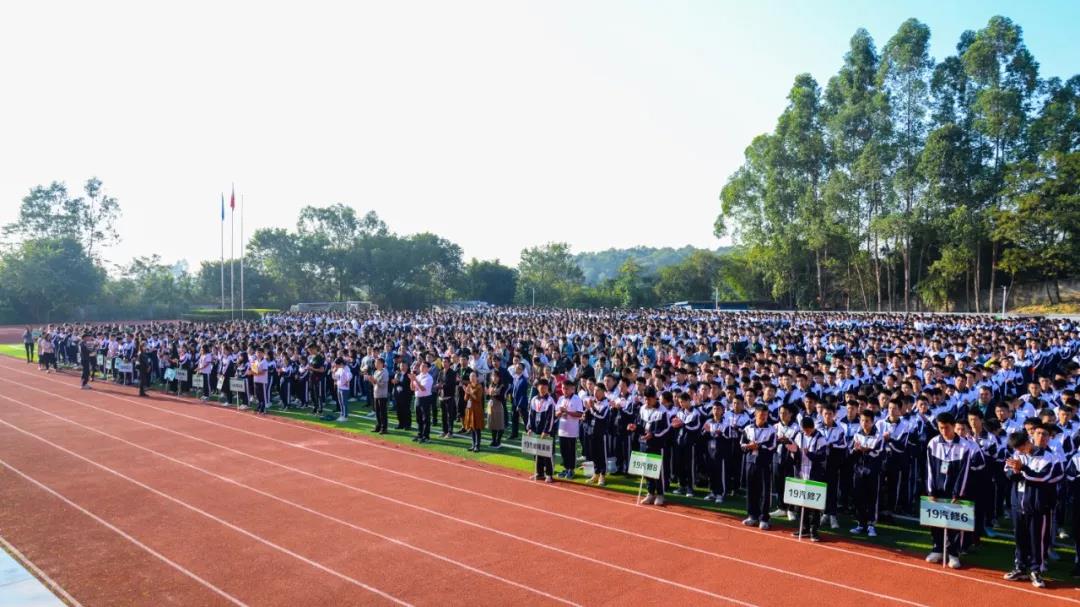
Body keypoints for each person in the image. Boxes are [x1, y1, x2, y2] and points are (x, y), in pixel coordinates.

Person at [1004, 426, 1063, 588]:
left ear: (1027, 442)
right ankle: (1020, 567)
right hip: (1018, 504)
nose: (1019, 451)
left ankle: (1036, 571)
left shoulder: (1049, 457)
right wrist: (1015, 471)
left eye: (1021, 447)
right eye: (1017, 449)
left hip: (1038, 506)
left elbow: (1043, 478)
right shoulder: (1017, 455)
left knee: (1038, 541)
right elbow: (1007, 472)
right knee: (1020, 538)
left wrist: (1022, 469)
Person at [925, 412, 976, 569]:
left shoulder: (965, 446)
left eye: (946, 427)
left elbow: (964, 472)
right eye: (940, 428)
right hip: (938, 490)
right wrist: (931, 491)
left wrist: (958, 493)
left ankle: (953, 553)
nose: (943, 431)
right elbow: (929, 469)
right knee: (936, 520)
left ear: (953, 426)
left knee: (955, 523)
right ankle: (938, 549)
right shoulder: (933, 443)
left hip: (955, 492)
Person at [787, 415, 828, 541]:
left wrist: (808, 453)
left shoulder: (820, 438)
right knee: (800, 502)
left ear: (813, 427)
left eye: (808, 430)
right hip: (800, 471)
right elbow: (793, 451)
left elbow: (822, 456)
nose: (806, 432)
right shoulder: (798, 436)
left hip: (814, 472)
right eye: (804, 430)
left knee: (813, 504)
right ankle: (804, 528)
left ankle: (814, 530)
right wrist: (794, 452)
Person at [630, 386, 670, 505]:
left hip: (657, 444)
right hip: (644, 443)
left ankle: (660, 494)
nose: (647, 401)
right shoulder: (642, 408)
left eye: (649, 399)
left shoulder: (662, 411)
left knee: (658, 471)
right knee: (646, 470)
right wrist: (635, 427)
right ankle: (650, 493)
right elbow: (640, 424)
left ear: (655, 398)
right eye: (645, 399)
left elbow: (666, 428)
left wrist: (653, 434)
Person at [741, 404, 777, 528]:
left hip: (764, 463)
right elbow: (742, 443)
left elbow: (772, 445)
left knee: (765, 492)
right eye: (761, 415)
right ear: (755, 414)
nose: (763, 417)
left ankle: (764, 518)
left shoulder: (771, 430)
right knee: (751, 490)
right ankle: (752, 516)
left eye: (765, 415)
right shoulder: (748, 428)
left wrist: (758, 446)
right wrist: (748, 446)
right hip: (750, 462)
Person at [849, 409, 884, 537]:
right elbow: (851, 451)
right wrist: (855, 450)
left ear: (872, 422)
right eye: (862, 420)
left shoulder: (878, 436)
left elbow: (877, 452)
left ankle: (871, 525)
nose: (864, 423)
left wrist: (864, 450)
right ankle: (861, 524)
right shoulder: (857, 434)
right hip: (859, 470)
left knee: (872, 498)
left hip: (873, 470)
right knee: (859, 497)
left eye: (867, 421)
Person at [527, 378, 556, 483]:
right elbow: (531, 415)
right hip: (536, 430)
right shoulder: (534, 399)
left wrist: (546, 431)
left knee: (547, 453)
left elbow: (550, 418)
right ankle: (539, 473)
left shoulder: (550, 401)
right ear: (537, 387)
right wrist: (530, 428)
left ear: (548, 388)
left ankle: (549, 474)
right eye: (541, 387)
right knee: (537, 452)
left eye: (545, 387)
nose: (542, 389)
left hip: (546, 431)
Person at [555, 379, 584, 479]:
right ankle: (566, 468)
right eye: (563, 388)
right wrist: (560, 412)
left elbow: (580, 414)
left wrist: (567, 412)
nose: (564, 391)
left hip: (572, 431)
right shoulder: (561, 399)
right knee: (563, 451)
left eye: (567, 389)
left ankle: (571, 469)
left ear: (572, 389)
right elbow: (556, 413)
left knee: (571, 451)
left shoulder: (577, 399)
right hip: (562, 429)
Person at [581, 385, 609, 486]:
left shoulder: (606, 404)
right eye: (594, 390)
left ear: (603, 391)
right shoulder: (593, 401)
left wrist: (592, 407)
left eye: (598, 390)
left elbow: (601, 416)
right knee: (594, 454)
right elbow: (589, 415)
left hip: (601, 433)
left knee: (602, 455)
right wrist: (585, 415)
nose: (595, 393)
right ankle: (596, 473)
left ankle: (602, 475)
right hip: (591, 432)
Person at [410, 360, 435, 443]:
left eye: (424, 366)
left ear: (428, 368)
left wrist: (415, 380)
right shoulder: (418, 376)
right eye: (421, 365)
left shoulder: (429, 378)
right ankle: (420, 434)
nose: (421, 367)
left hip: (425, 399)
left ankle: (426, 436)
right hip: (418, 398)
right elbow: (412, 388)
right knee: (418, 418)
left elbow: (423, 389)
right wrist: (412, 380)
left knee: (425, 418)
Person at [366, 358, 390, 433]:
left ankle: (384, 428)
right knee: (377, 412)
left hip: (382, 395)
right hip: (376, 394)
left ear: (381, 364)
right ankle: (378, 426)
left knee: (383, 412)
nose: (375, 364)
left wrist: (375, 381)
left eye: (377, 363)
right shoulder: (376, 372)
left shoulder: (385, 372)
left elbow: (383, 384)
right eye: (375, 363)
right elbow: (374, 384)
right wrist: (371, 380)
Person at [463, 372, 485, 451]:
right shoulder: (469, 386)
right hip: (470, 409)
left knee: (477, 427)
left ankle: (477, 445)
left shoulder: (479, 386)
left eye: (473, 376)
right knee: (472, 427)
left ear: (477, 378)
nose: (472, 378)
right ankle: (473, 444)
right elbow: (465, 399)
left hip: (477, 409)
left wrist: (471, 393)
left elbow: (478, 399)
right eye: (471, 376)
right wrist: (466, 392)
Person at [486, 372, 506, 449]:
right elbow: (488, 397)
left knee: (499, 424)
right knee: (492, 424)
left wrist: (493, 394)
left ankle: (498, 441)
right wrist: (487, 393)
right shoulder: (490, 385)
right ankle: (493, 440)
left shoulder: (502, 386)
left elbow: (502, 398)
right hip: (490, 406)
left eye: (496, 376)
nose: (494, 378)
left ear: (499, 378)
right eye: (493, 376)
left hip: (498, 407)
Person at [332, 357, 352, 422]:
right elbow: (335, 377)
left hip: (344, 389)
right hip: (339, 387)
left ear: (340, 363)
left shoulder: (346, 368)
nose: (335, 365)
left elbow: (350, 376)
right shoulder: (339, 369)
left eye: (336, 364)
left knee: (344, 403)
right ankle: (342, 415)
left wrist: (346, 382)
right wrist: (333, 372)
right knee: (340, 402)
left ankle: (345, 416)